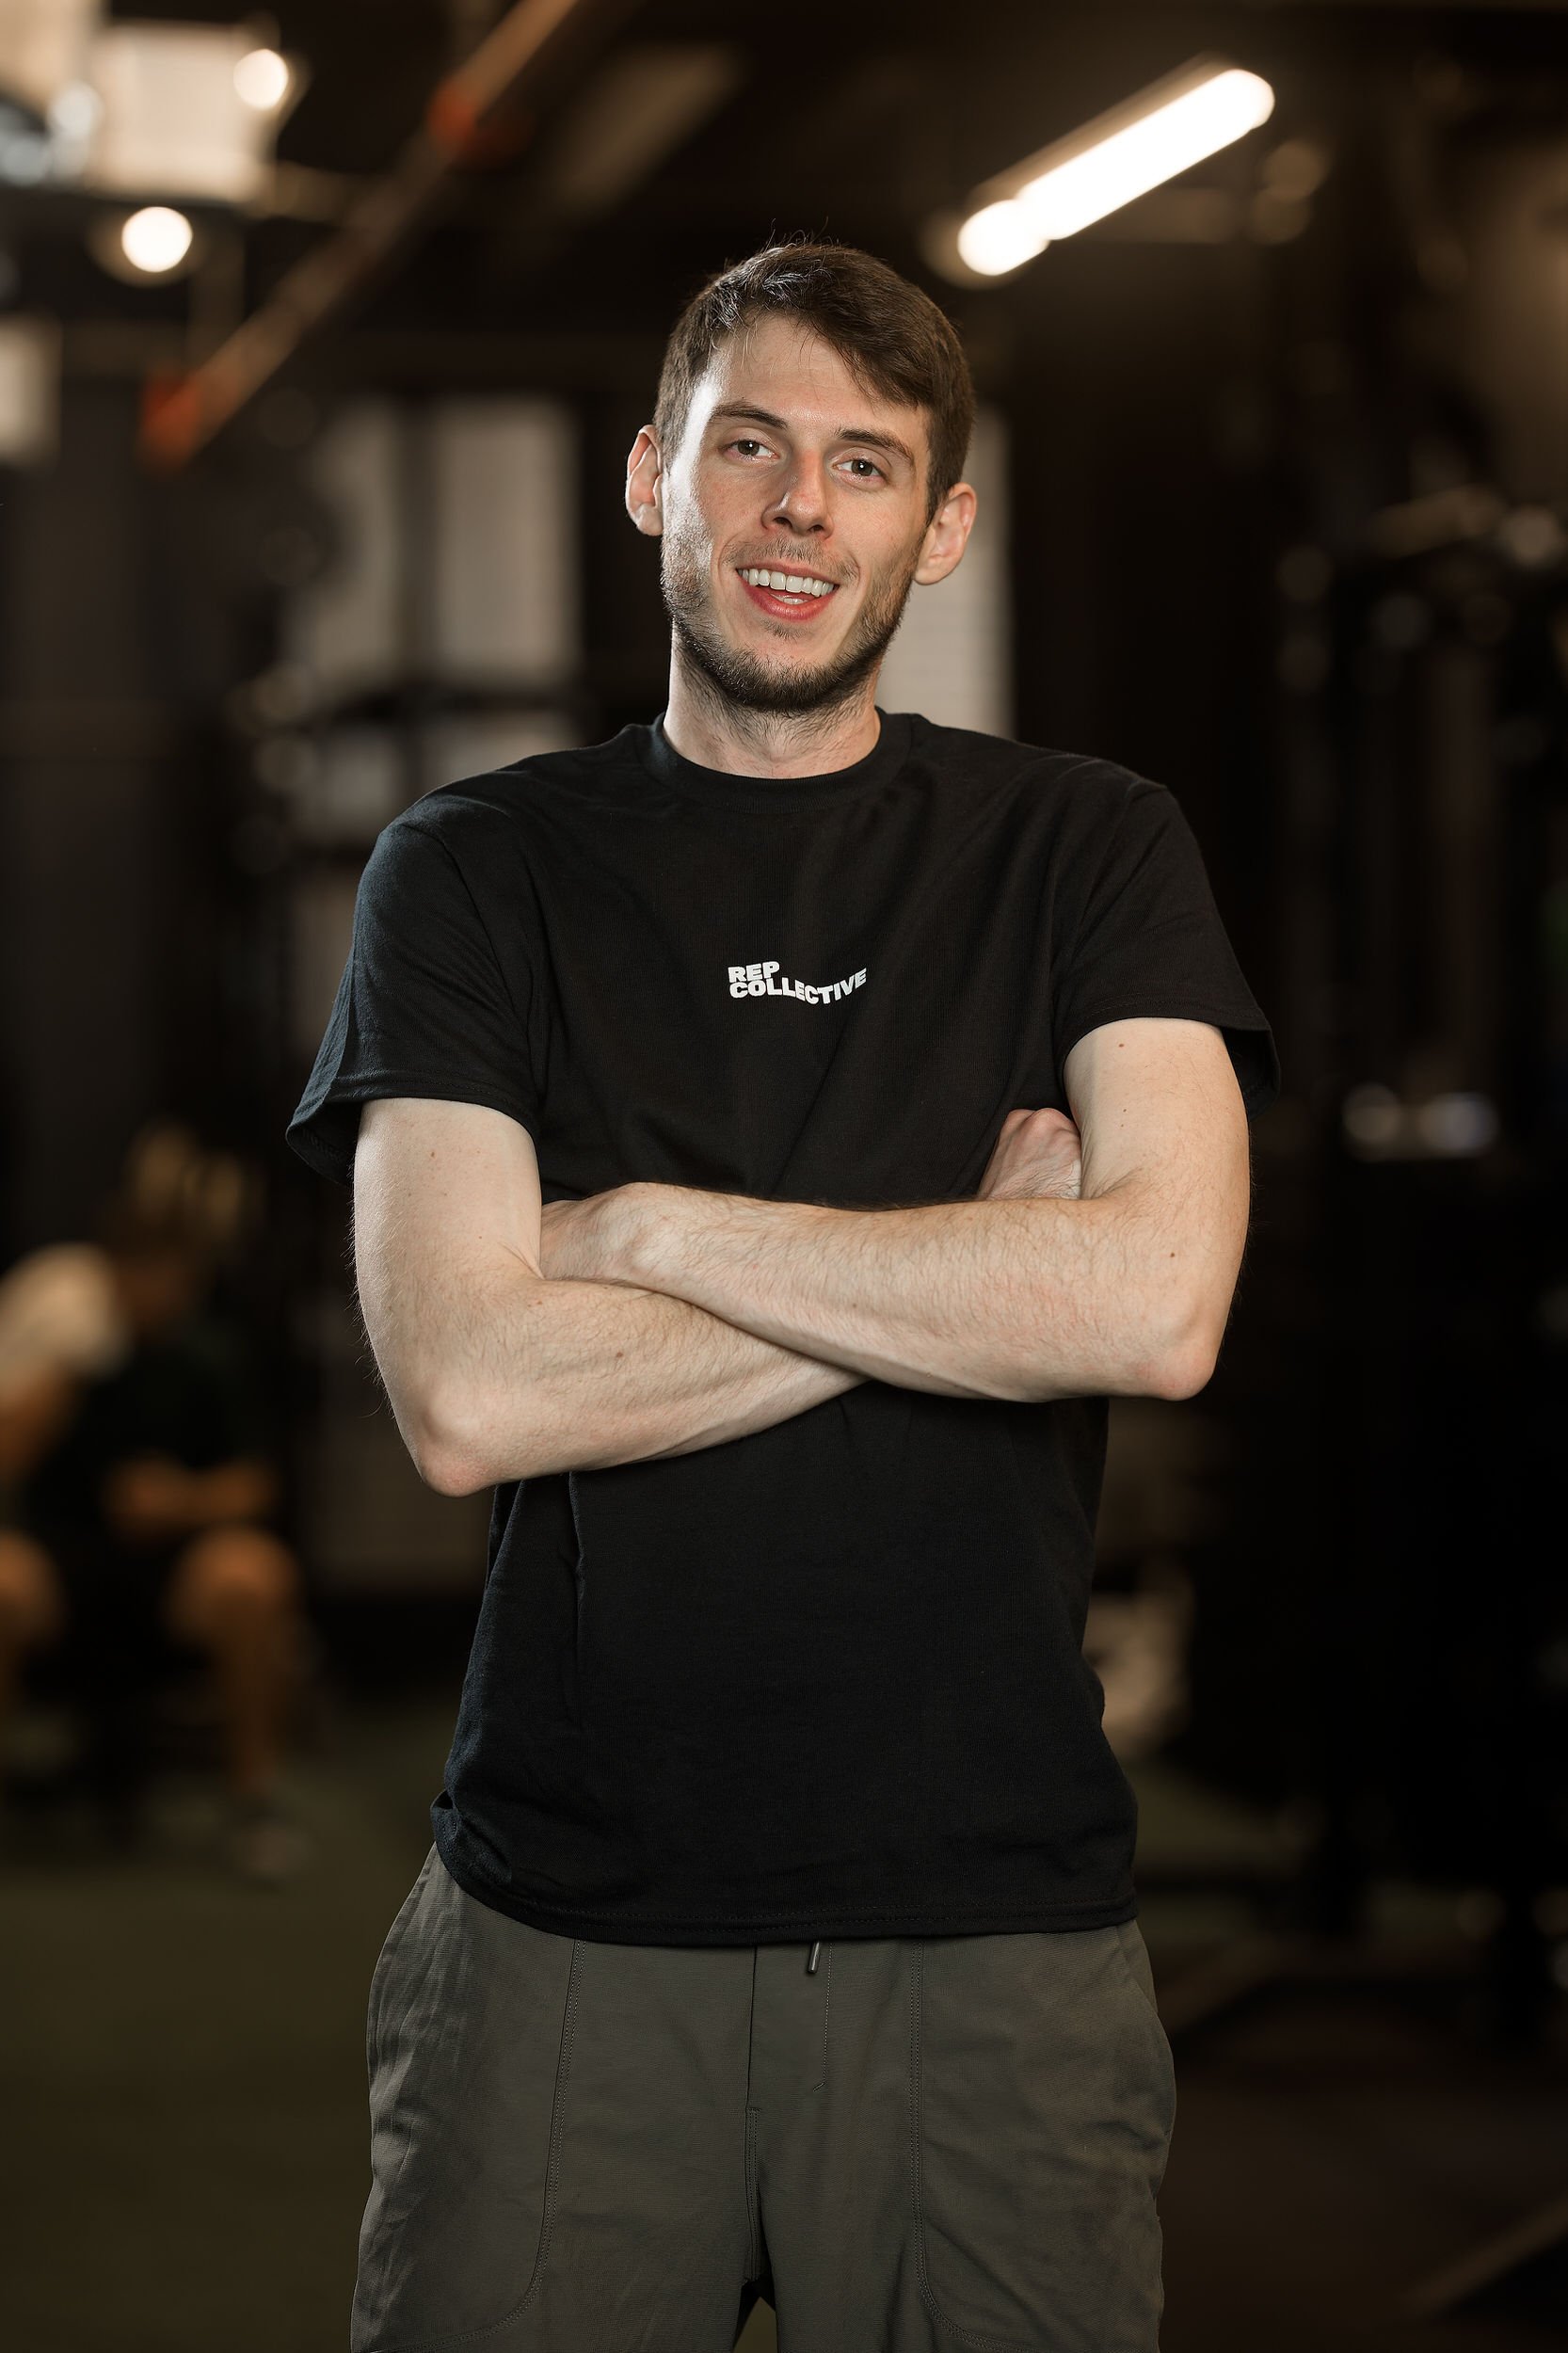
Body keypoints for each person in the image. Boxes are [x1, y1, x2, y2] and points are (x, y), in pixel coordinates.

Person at [286, 239, 1281, 2351]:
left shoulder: (1086, 850)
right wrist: (976, 1256)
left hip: (989, 1926)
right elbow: (464, 1387)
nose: (799, 509)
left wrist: (634, 1223)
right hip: (564, 1917)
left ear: (942, 524)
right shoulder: (472, 869)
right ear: (654, 476)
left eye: (862, 462)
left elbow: (1159, 1304)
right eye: (749, 446)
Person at [0, 1182, 307, 1880]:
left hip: (175, 1577)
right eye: (138, 1269)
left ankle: (254, 1806)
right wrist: (60, 1373)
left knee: (253, 1575)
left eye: (170, 1272)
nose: (154, 1288)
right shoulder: (66, 1344)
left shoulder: (210, 1355)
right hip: (65, 1568)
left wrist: (183, 1501)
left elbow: (256, 1483)